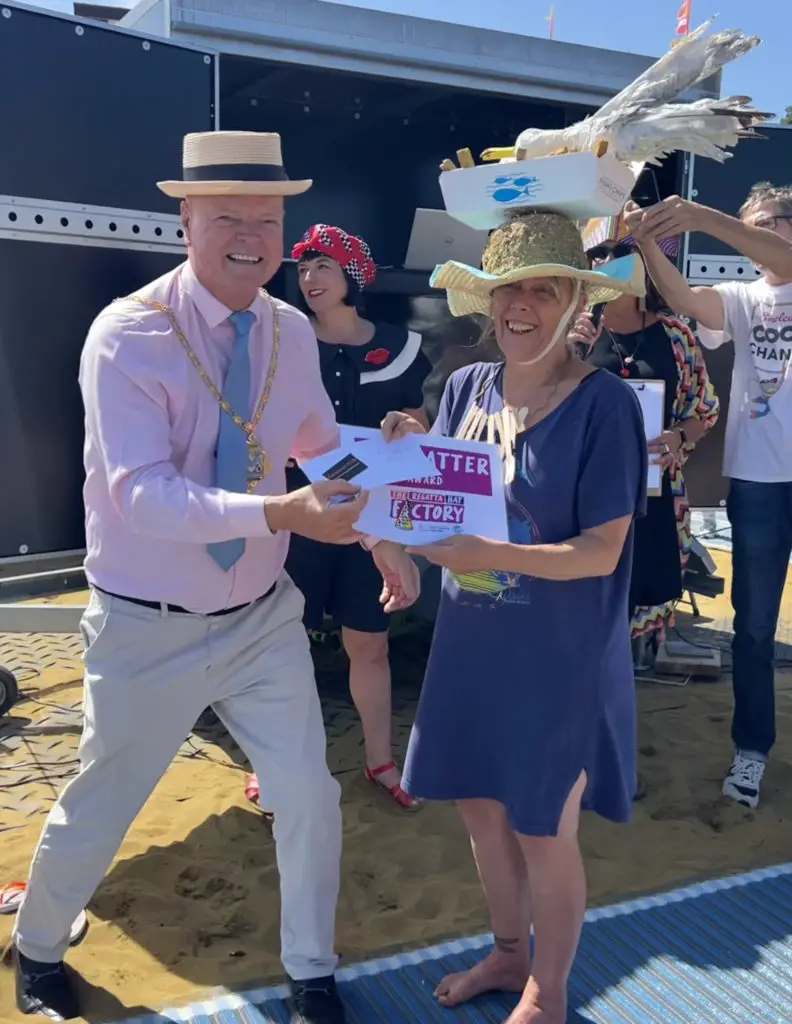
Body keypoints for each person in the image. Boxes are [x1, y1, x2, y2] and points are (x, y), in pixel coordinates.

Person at [10, 131, 418, 1024]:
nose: (249, 235)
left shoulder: (287, 332)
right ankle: (38, 950)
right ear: (185, 217)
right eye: (226, 214)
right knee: (103, 802)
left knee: (309, 792)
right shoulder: (128, 335)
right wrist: (280, 515)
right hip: (145, 626)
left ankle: (312, 974)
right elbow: (141, 499)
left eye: (266, 219)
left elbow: (316, 447)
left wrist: (381, 530)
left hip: (262, 616)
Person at [382, 210, 648, 1024]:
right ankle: (507, 953)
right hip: (472, 647)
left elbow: (602, 552)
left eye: (544, 289)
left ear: (577, 303)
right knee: (479, 809)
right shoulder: (466, 386)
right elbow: (453, 491)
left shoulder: (607, 407)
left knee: (542, 827)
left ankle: (551, 989)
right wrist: (409, 444)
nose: (521, 306)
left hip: (562, 659)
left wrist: (488, 557)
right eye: (509, 290)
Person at [246, 224, 431, 812]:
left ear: (353, 275)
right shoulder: (283, 343)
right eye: (302, 269)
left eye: (322, 266)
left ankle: (381, 761)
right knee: (277, 649)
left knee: (369, 647)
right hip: (299, 519)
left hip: (370, 524)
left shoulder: (403, 345)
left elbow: (418, 423)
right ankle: (270, 767)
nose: (308, 279)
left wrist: (412, 428)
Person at [624, 185, 792, 810]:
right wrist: (645, 238)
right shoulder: (744, 299)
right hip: (758, 484)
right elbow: (680, 296)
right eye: (749, 227)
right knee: (752, 630)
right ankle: (751, 752)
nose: (752, 238)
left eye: (766, 224)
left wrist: (702, 217)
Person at [570, 218, 719, 653]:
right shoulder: (572, 333)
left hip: (654, 495)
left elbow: (705, 410)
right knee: (580, 599)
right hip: (582, 492)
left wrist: (676, 437)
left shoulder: (675, 337)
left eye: (619, 260)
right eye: (598, 260)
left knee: (635, 599)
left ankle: (615, 693)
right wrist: (568, 352)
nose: (608, 269)